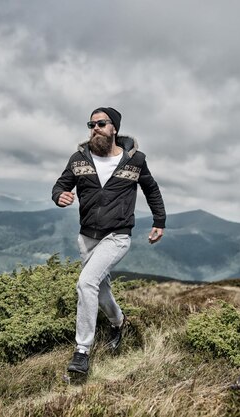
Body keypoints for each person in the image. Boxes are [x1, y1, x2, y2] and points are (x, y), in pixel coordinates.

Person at [52, 106, 166, 374]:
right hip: (87, 236)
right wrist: (59, 196)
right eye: (91, 124)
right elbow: (60, 185)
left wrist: (159, 221)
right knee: (100, 291)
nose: (95, 129)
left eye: (101, 124)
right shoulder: (78, 159)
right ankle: (118, 322)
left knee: (86, 283)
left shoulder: (135, 161)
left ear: (114, 127)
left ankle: (82, 351)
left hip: (118, 235)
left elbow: (151, 189)